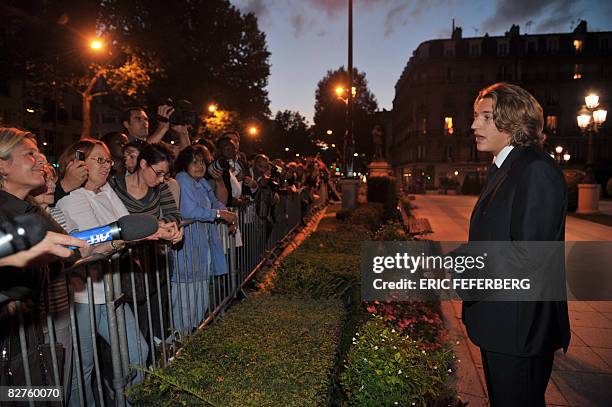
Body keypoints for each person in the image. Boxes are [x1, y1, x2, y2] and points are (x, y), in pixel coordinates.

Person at [464, 83, 570, 406]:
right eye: (475, 116)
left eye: (484, 117)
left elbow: (528, 259)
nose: (473, 125)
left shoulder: (536, 170)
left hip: (520, 331)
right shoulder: (505, 168)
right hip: (502, 326)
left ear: (511, 123)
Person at [56, 138, 149, 406]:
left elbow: (127, 224)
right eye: (100, 160)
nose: (107, 166)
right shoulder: (70, 199)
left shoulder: (106, 190)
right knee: (82, 369)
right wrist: (121, 237)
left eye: (108, 160)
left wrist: (149, 231)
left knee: (137, 352)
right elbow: (93, 244)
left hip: (110, 291)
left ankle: (123, 399)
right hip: (82, 296)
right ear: (78, 162)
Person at [171, 145, 236, 333]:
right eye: (194, 162)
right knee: (185, 301)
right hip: (187, 249)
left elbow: (216, 201)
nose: (199, 166)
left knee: (199, 299)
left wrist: (224, 212)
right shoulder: (183, 179)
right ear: (185, 164)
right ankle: (176, 343)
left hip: (201, 249)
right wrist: (219, 214)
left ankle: (189, 337)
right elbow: (189, 211)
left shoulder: (201, 182)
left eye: (202, 162)